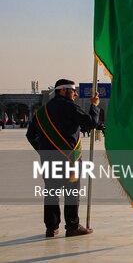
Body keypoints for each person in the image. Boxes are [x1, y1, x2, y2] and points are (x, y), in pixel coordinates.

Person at [26, 79, 100, 238]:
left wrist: (44, 151)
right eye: (73, 91)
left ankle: (51, 228)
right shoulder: (71, 107)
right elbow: (91, 123)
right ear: (63, 90)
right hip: (70, 162)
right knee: (72, 193)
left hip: (48, 162)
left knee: (51, 193)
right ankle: (72, 226)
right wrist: (94, 106)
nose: (75, 94)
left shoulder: (42, 111)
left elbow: (30, 135)